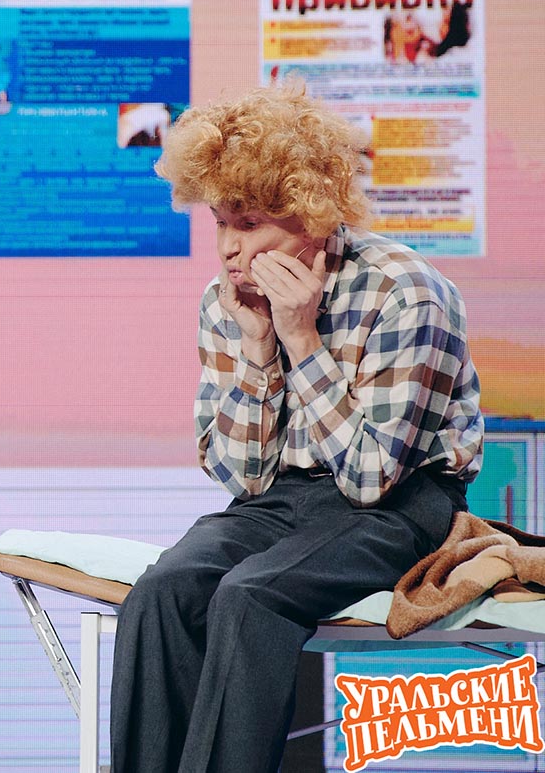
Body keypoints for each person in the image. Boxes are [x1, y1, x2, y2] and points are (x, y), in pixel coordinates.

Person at [108, 82, 484, 773]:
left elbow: (371, 480)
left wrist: (302, 340)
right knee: (162, 592)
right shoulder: (225, 303)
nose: (228, 249)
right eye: (220, 222)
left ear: (310, 214)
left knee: (249, 594)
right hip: (283, 498)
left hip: (402, 504)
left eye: (250, 224)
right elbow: (244, 480)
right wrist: (258, 350)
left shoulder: (405, 291)